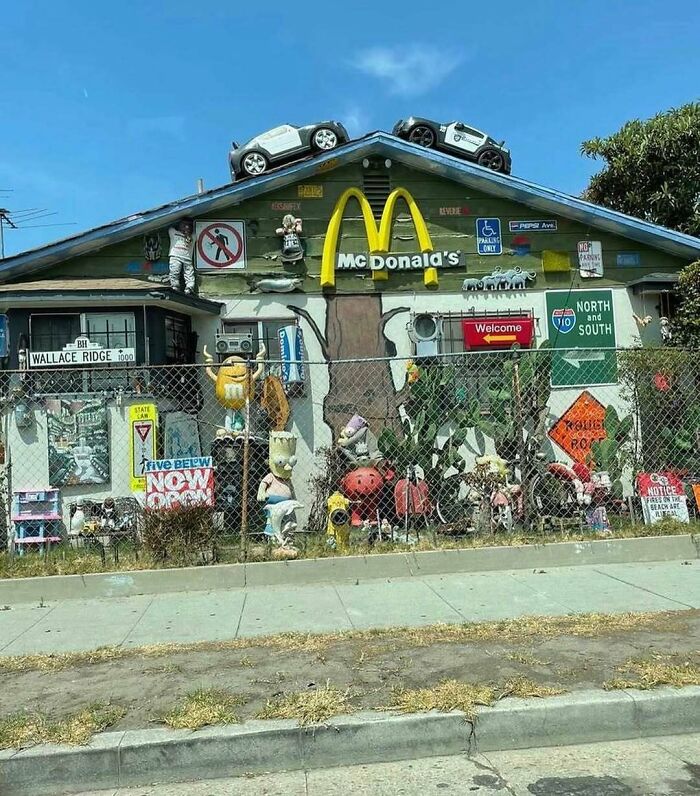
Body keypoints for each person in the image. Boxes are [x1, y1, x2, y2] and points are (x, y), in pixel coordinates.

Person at [168, 219, 195, 294]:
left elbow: (191, 240)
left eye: (189, 225)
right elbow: (170, 227)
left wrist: (187, 234)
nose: (186, 227)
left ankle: (189, 288)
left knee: (189, 273)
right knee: (174, 270)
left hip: (187, 258)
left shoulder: (193, 236)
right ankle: (174, 286)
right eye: (184, 225)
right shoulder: (174, 232)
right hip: (175, 256)